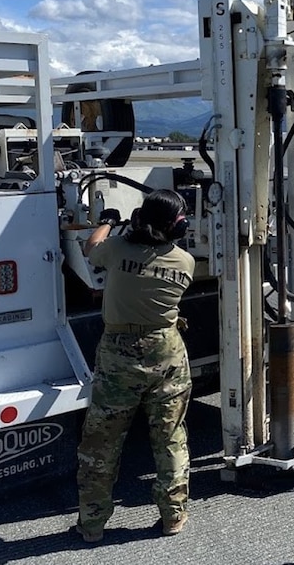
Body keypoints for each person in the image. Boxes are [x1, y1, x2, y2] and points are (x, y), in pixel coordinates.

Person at [74, 189, 195, 544]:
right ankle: (173, 517)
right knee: (170, 437)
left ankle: (92, 525)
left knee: (102, 442)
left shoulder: (116, 250)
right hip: (167, 352)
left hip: (119, 353)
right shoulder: (184, 262)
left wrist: (109, 222)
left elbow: (90, 249)